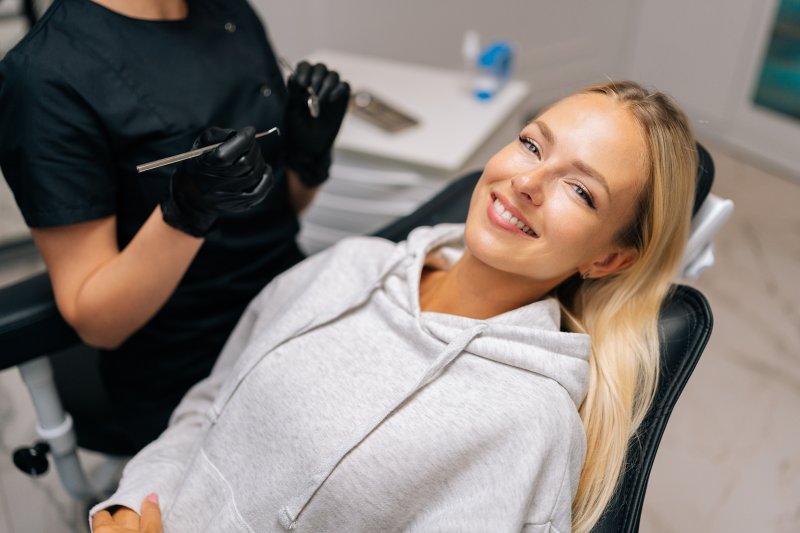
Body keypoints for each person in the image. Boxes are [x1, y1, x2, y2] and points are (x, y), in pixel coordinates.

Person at [88, 80, 697, 533]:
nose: (528, 183)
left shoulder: (528, 424)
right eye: (533, 146)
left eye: (580, 190)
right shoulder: (350, 265)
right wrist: (129, 502)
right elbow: (208, 409)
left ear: (609, 260)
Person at [0, 0, 350, 453]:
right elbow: (97, 322)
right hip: (190, 365)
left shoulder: (229, 14)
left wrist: (309, 154)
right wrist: (185, 213)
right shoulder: (46, 77)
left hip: (293, 306)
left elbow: (281, 211)